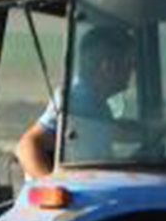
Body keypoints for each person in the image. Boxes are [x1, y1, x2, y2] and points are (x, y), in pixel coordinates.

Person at [13, 24, 137, 178]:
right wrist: (52, 187)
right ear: (108, 67)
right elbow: (27, 146)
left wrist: (158, 129)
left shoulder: (98, 106)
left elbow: (114, 132)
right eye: (129, 64)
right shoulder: (73, 100)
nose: (132, 71)